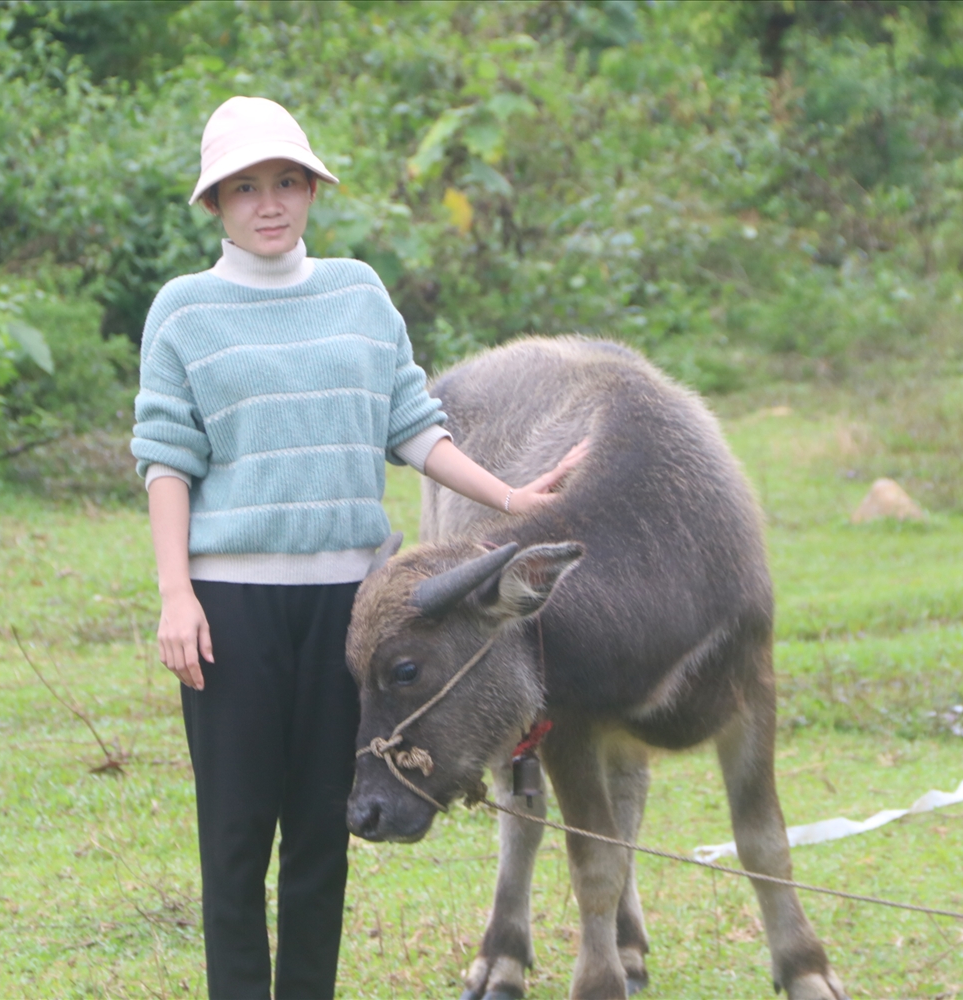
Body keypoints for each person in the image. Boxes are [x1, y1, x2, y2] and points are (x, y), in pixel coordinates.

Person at [130, 96, 586, 1000]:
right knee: (234, 841)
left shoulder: (358, 292)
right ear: (216, 203)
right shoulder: (183, 312)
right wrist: (176, 594)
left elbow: (414, 427)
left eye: (288, 182)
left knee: (319, 835)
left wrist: (510, 496)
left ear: (311, 191)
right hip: (232, 610)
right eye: (247, 187)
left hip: (351, 611)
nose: (271, 203)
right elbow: (166, 462)